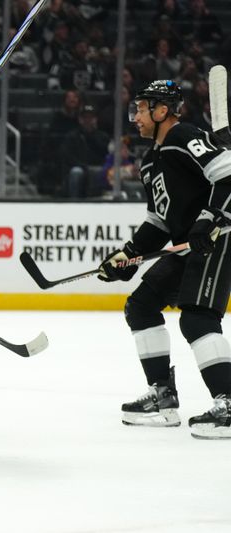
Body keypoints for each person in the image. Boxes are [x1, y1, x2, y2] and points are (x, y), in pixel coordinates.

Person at [98, 80, 231, 439]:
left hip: (220, 238)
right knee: (141, 305)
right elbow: (159, 221)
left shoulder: (185, 136)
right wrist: (129, 254)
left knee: (198, 318)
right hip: (190, 244)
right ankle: (162, 395)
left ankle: (229, 402)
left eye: (140, 109)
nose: (135, 117)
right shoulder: (149, 161)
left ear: (161, 110)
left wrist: (211, 218)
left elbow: (228, 176)